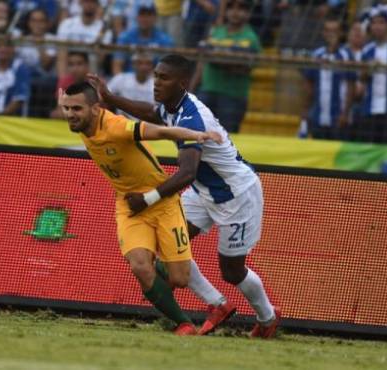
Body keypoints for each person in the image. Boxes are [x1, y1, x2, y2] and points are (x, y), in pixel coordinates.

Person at [89, 54, 281, 339]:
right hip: (204, 192)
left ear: (182, 83)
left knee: (231, 270)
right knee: (168, 246)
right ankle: (217, 304)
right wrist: (112, 98)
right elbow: (153, 114)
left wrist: (148, 199)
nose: (156, 82)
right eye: (156, 75)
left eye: (164, 78)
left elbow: (187, 172)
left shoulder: (193, 117)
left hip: (237, 196)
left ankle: (267, 319)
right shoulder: (173, 105)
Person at [59, 81, 227, 336]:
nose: (70, 115)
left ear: (95, 109)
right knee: (139, 266)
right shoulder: (81, 123)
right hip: (129, 205)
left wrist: (196, 135)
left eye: (76, 109)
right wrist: (67, 97)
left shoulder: (117, 127)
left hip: (162, 202)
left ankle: (168, 280)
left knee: (180, 278)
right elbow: (70, 100)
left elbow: (160, 132)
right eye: (67, 108)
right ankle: (182, 324)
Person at [191, 0, 261, 133]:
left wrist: (217, 59)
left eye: (241, 8)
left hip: (233, 97)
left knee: (227, 140)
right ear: (226, 11)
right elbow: (202, 62)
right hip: (207, 91)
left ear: (247, 13)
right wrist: (192, 90)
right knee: (198, 134)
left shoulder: (251, 38)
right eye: (231, 7)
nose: (235, 12)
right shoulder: (216, 31)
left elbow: (246, 68)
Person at [300, 16, 355, 140]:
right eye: (328, 31)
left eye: (334, 31)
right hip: (318, 117)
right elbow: (309, 85)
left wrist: (345, 113)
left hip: (339, 118)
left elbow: (351, 87)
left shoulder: (346, 55)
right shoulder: (316, 54)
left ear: (341, 33)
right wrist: (305, 111)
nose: (331, 34)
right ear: (323, 33)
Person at [356, 4, 387, 153]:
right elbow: (361, 80)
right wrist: (368, 69)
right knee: (370, 152)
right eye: (374, 22)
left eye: (381, 22)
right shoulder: (367, 50)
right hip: (370, 110)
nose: (377, 26)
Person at [107, 52, 155, 119]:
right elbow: (105, 95)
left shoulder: (156, 84)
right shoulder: (121, 79)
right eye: (140, 63)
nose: (144, 67)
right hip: (122, 122)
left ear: (152, 66)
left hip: (147, 125)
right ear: (133, 64)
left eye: (148, 63)